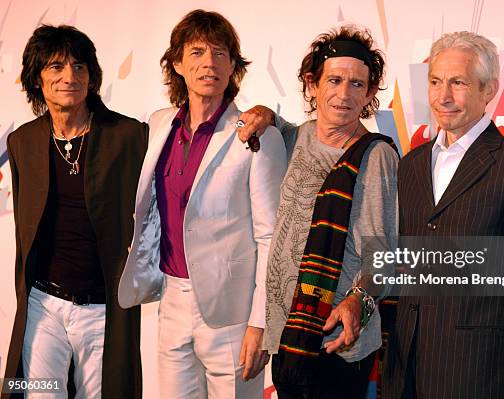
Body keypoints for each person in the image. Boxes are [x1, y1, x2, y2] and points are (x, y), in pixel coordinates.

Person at [382, 31, 504, 399]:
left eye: (458, 83)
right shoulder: (411, 165)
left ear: (489, 89)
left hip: (481, 376)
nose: (443, 96)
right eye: (435, 82)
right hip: (404, 373)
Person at [118, 9, 286, 399]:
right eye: (196, 52)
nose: (209, 63)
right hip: (170, 299)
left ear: (233, 68)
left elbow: (270, 238)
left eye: (220, 53)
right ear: (177, 63)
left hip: (232, 312)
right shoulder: (160, 125)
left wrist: (259, 323)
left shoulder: (255, 135)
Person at [238, 26, 398, 399]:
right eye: (335, 80)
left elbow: (384, 254)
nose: (344, 94)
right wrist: (263, 113)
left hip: (336, 337)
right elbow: (273, 125)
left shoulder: (376, 156)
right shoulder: (296, 137)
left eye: (357, 84)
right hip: (287, 336)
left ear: (371, 93)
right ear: (312, 84)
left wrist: (358, 301)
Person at [3, 25, 147, 398]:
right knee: (37, 391)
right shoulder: (23, 142)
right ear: (37, 78)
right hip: (43, 305)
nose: (70, 77)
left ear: (92, 76)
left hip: (102, 310)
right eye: (56, 67)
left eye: (79, 67)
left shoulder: (128, 135)